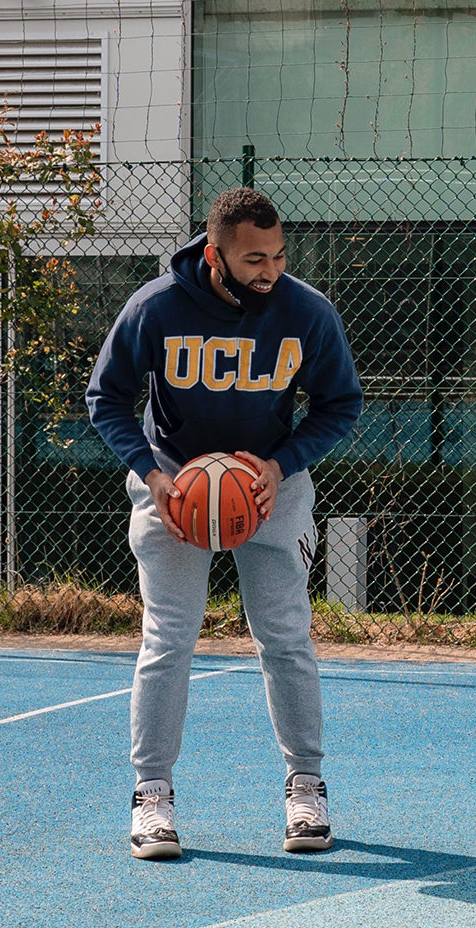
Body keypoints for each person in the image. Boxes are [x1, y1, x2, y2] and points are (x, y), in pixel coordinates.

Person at [86, 188, 362, 860]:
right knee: (168, 639)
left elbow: (340, 404)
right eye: (254, 259)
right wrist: (151, 475)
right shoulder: (155, 307)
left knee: (286, 638)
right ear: (214, 255)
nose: (271, 270)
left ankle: (306, 786)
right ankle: (152, 795)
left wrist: (281, 463)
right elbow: (106, 398)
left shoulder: (307, 311)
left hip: (270, 489)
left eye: (279, 255)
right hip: (173, 487)